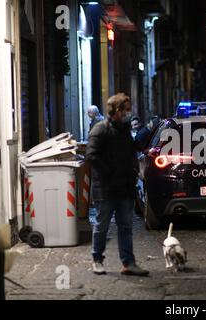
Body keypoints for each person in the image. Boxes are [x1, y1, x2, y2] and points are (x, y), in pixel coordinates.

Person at [86, 93, 149, 277]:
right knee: (101, 226)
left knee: (126, 227)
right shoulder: (100, 129)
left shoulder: (125, 130)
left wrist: (133, 172)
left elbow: (131, 152)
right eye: (126, 109)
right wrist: (109, 173)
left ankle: (128, 263)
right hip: (106, 189)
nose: (129, 113)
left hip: (125, 188)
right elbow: (92, 155)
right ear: (117, 110)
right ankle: (97, 260)